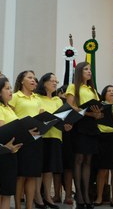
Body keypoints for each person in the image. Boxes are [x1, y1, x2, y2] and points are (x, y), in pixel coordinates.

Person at [66, 62, 102, 209]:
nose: (89, 71)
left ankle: (86, 194)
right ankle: (79, 193)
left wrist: (98, 114)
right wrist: (87, 113)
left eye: (90, 69)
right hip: (79, 123)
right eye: (86, 69)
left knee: (88, 159)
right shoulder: (73, 87)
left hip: (91, 125)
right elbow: (69, 105)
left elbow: (98, 108)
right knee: (79, 158)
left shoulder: (93, 89)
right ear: (79, 71)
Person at [9, 70, 42, 209]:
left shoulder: (37, 98)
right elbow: (10, 116)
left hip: (36, 138)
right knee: (21, 175)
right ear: (22, 81)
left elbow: (41, 116)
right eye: (30, 78)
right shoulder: (15, 96)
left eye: (34, 78)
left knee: (32, 175)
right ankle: (17, 206)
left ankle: (29, 206)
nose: (33, 80)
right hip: (21, 138)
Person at [0, 77, 22, 209]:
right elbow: (1, 133)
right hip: (1, 153)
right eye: (7, 88)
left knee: (7, 192)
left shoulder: (9, 108)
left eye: (11, 88)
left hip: (12, 152)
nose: (10, 91)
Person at [33, 73, 65, 209]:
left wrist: (66, 123)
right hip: (41, 135)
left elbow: (62, 116)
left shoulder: (58, 100)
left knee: (49, 169)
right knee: (39, 167)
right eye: (52, 81)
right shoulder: (37, 98)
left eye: (56, 81)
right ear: (44, 82)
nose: (54, 83)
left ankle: (48, 195)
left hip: (55, 135)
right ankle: (37, 196)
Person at [93, 85, 113, 208]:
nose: (111, 92)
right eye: (108, 91)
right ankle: (99, 197)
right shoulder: (99, 106)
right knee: (102, 169)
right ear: (104, 94)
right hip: (102, 137)